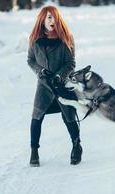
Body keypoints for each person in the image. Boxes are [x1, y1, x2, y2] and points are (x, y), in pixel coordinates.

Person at [27, 6, 82, 167]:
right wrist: (40, 71)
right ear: (42, 20)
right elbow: (30, 60)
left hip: (61, 85)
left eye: (55, 17)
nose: (53, 21)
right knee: (37, 117)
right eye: (49, 17)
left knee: (69, 117)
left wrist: (59, 76)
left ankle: (76, 145)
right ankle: (34, 151)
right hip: (44, 85)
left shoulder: (66, 37)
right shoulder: (34, 39)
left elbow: (71, 63)